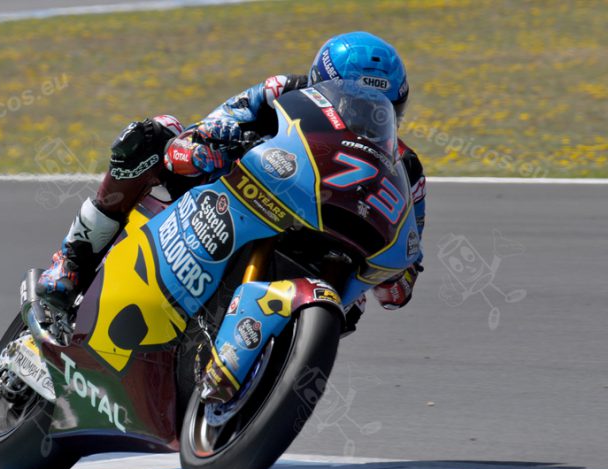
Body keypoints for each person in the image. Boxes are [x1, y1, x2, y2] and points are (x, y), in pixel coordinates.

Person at [37, 31, 427, 322]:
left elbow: (405, 259)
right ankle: (72, 263)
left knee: (352, 304)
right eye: (351, 100)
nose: (364, 114)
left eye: (380, 109)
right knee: (153, 134)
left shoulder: (406, 167)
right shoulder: (282, 92)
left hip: (325, 252)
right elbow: (206, 128)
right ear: (318, 85)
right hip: (239, 197)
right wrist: (205, 147)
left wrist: (399, 274)